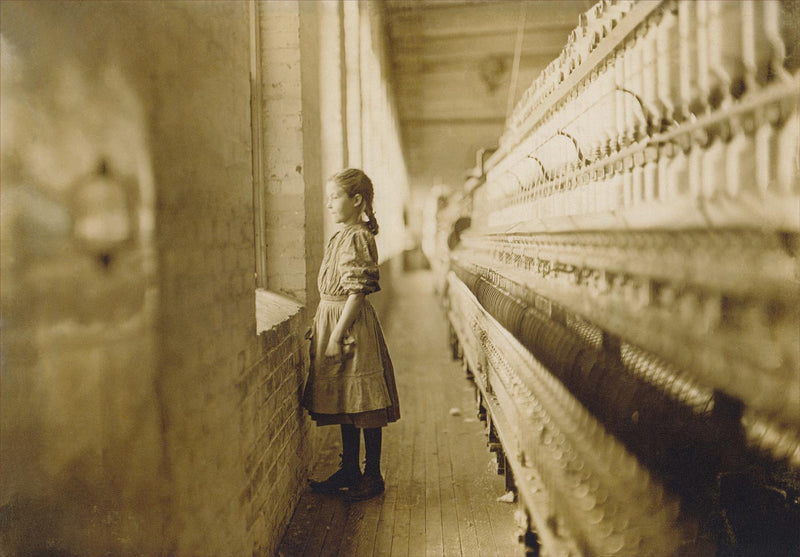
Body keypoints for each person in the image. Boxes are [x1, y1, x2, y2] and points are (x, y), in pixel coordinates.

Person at [302, 168, 400, 501]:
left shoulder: (358, 236)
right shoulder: (343, 234)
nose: (329, 204)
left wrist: (336, 333)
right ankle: (350, 470)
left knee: (365, 402)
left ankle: (372, 475)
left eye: (334, 197)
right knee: (347, 398)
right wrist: (320, 324)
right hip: (335, 317)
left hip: (350, 324)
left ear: (356, 200)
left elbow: (357, 292)